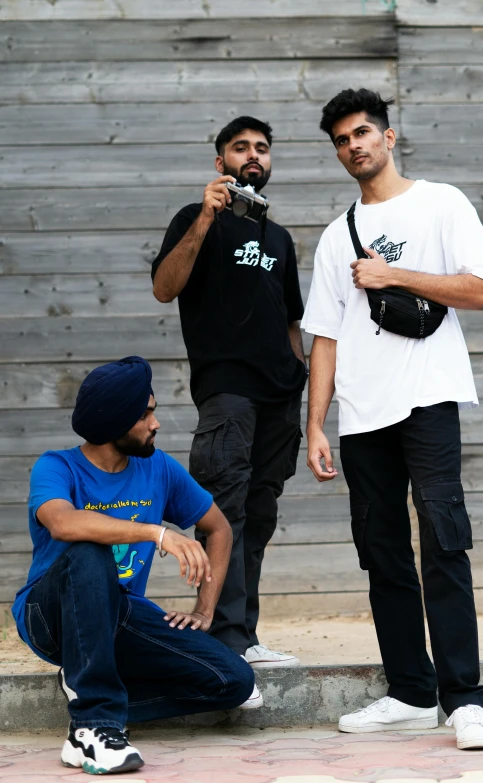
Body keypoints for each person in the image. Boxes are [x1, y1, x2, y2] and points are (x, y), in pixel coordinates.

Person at [302, 88, 483, 750]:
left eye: (362, 132)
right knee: (382, 550)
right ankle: (411, 692)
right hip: (361, 414)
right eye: (341, 139)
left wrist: (398, 275)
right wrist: (315, 424)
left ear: (389, 137)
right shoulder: (337, 237)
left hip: (428, 397)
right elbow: (325, 337)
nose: (353, 145)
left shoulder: (441, 203)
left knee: (443, 537)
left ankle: (465, 699)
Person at [12, 356, 254, 776]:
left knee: (233, 681)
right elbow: (63, 522)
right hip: (48, 616)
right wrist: (156, 533)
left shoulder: (156, 466)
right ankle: (94, 726)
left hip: (119, 612)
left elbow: (218, 528)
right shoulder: (57, 465)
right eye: (145, 414)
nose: (155, 423)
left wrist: (204, 610)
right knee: (89, 550)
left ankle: (87, 685)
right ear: (115, 422)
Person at [151, 116, 307, 694]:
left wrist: (302, 382)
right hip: (228, 392)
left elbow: (292, 319)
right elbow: (165, 287)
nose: (252, 156)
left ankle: (244, 631)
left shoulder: (281, 239)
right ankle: (225, 639)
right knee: (226, 509)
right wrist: (205, 217)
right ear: (220, 162)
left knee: (259, 515)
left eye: (262, 149)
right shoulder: (196, 222)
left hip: (279, 398)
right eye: (240, 148)